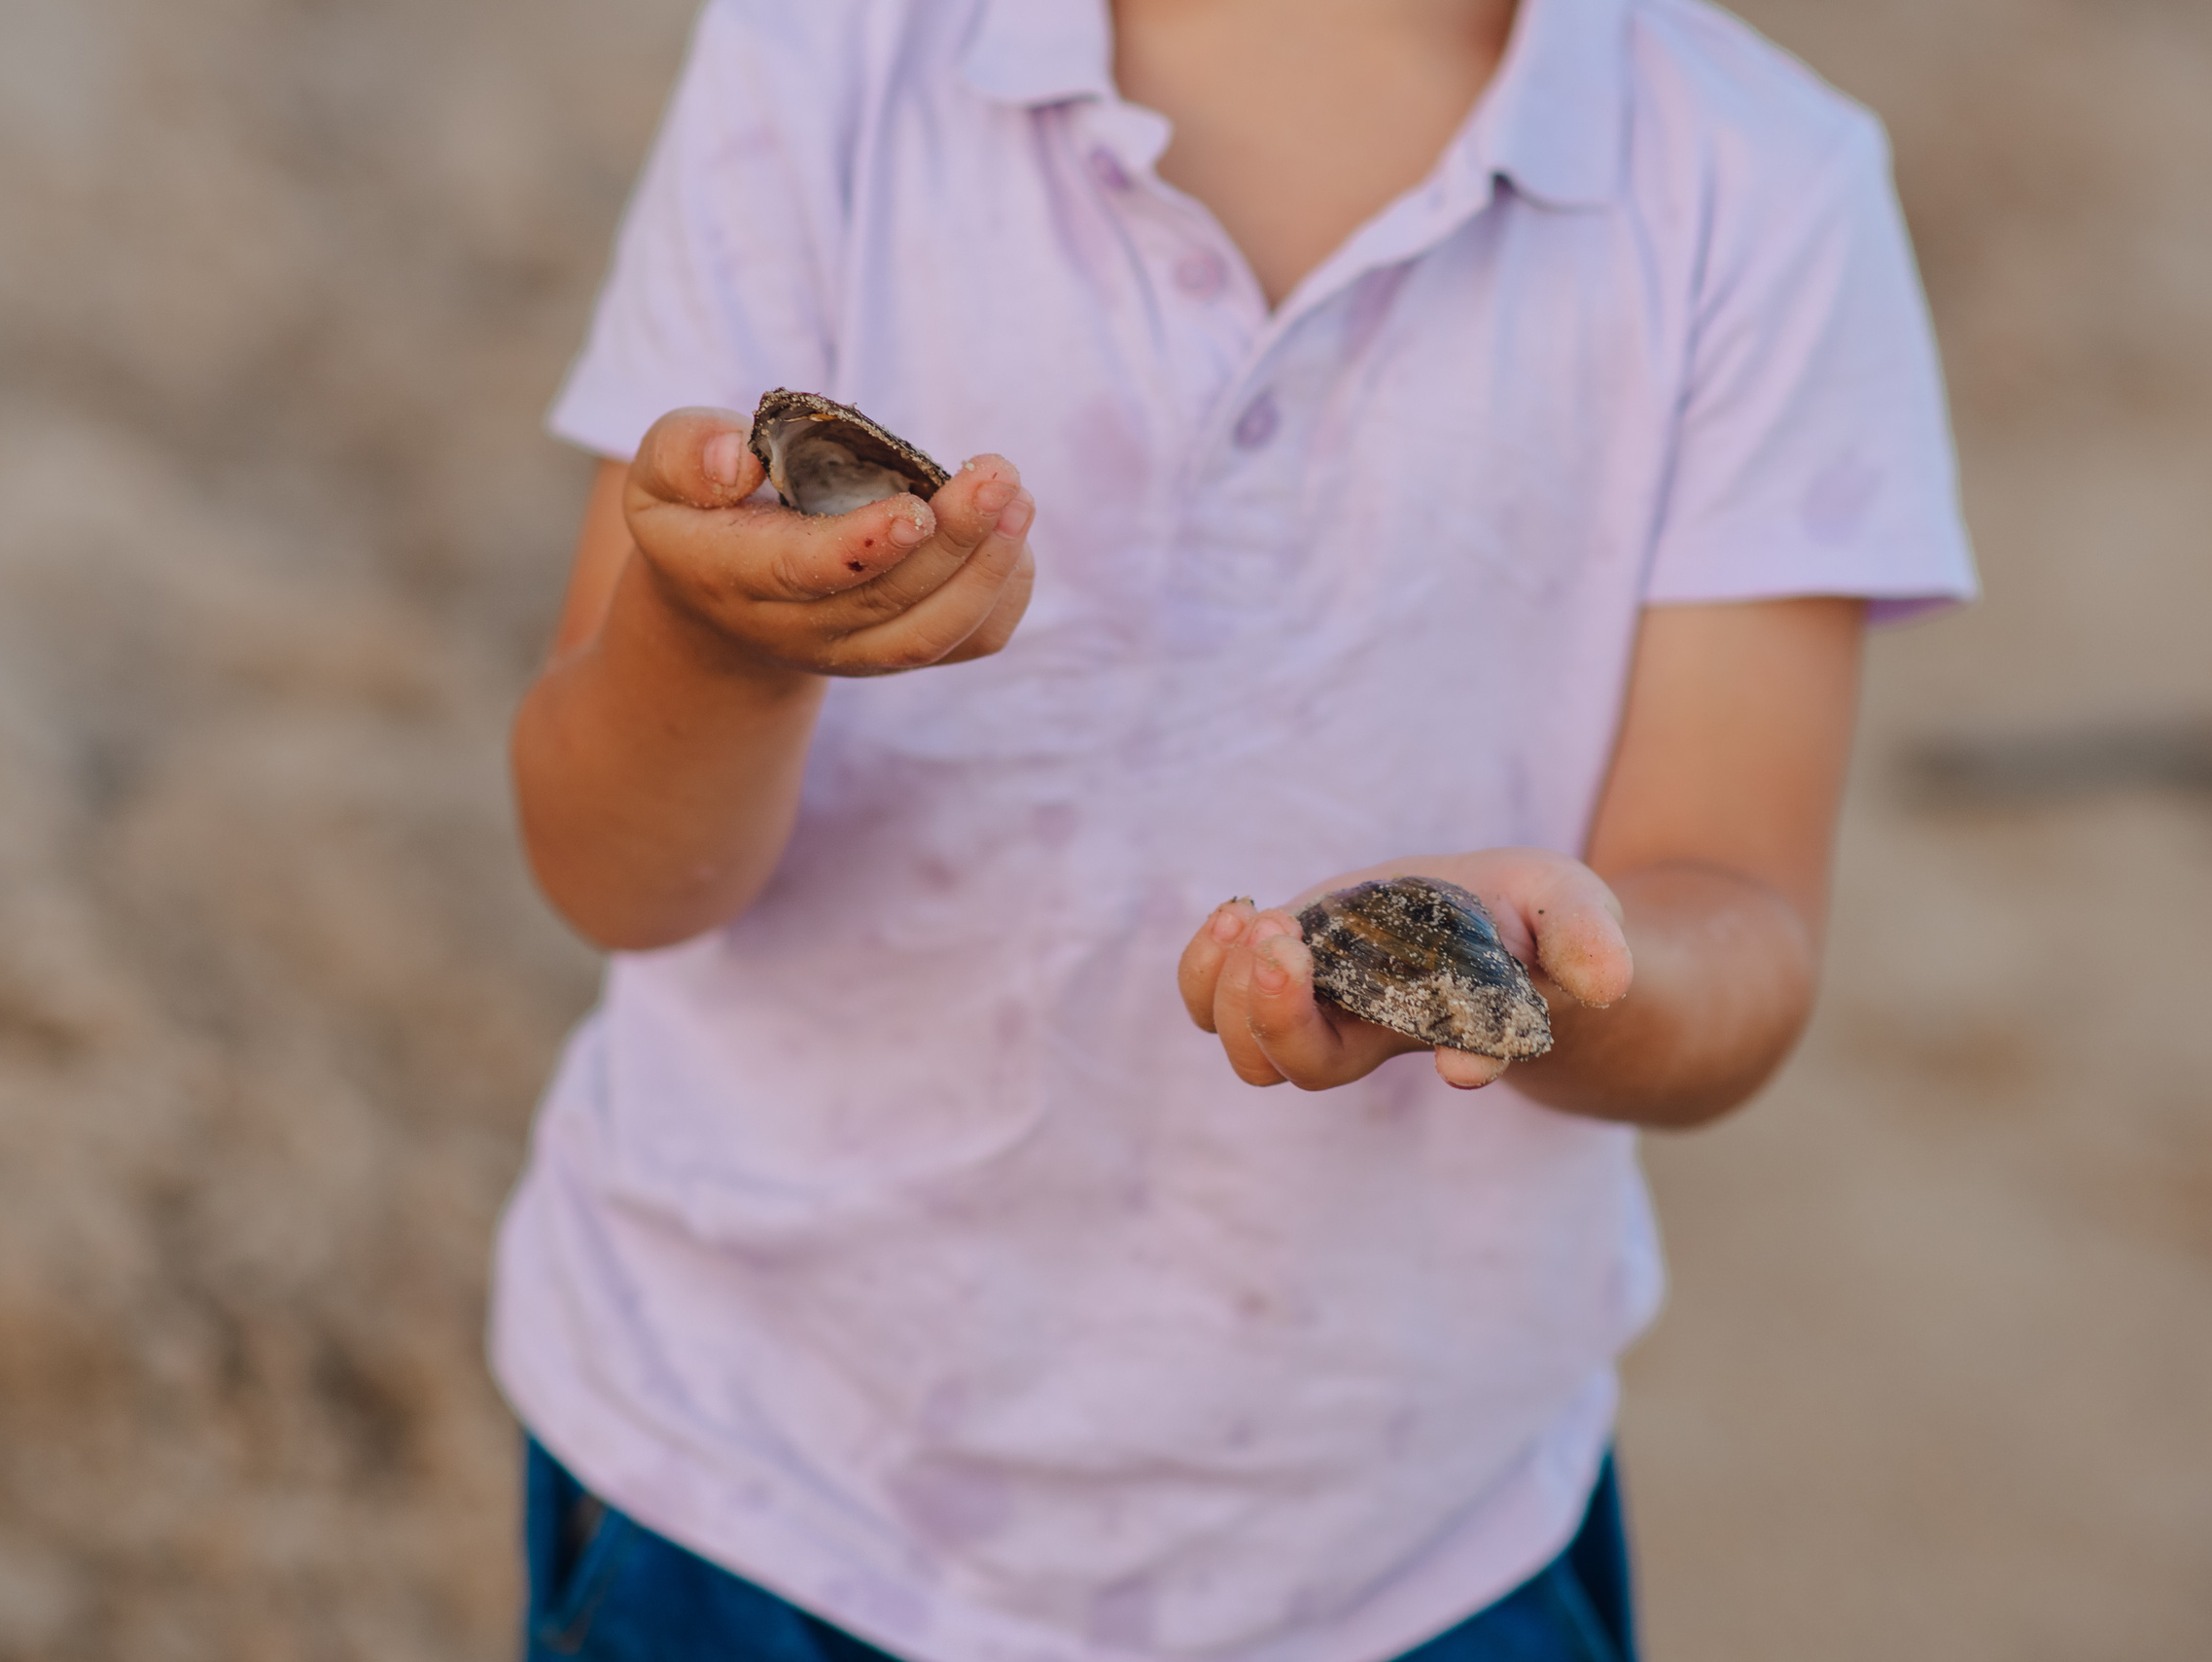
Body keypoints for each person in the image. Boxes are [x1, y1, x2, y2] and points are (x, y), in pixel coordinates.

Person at [497, 0, 1975, 1658]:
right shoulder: (837, 51)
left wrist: (1556, 960)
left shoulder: (1763, 193)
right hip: (739, 1467)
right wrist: (713, 647)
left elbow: (1741, 920)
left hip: (1392, 1550)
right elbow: (616, 871)